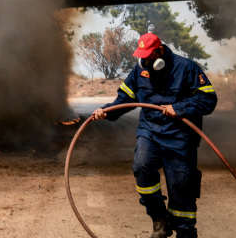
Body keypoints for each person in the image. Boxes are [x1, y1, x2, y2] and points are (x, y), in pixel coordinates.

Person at [90, 32, 217, 238]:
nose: (145, 61)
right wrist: (106, 111)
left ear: (159, 51)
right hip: (150, 130)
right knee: (142, 166)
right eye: (142, 56)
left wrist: (179, 107)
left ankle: (185, 232)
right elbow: (125, 98)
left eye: (148, 56)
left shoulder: (186, 67)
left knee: (181, 187)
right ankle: (159, 218)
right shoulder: (139, 71)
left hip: (180, 136)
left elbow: (208, 99)